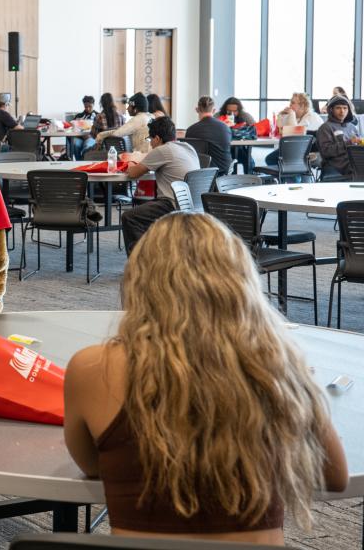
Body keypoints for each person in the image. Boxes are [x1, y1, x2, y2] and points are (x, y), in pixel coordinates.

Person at [64, 212, 348, 544]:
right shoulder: (278, 365)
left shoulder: (91, 368)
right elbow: (334, 477)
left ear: (138, 281)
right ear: (240, 282)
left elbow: (94, 467)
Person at [119, 117, 199, 254]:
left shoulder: (162, 150)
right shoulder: (188, 147)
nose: (151, 144)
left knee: (129, 217)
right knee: (148, 209)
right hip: (195, 205)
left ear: (157, 138)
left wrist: (131, 164)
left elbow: (133, 174)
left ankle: (140, 263)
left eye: (150, 140)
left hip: (173, 204)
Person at [185, 96, 233, 175]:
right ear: (214, 110)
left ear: (197, 110)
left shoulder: (191, 130)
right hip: (223, 172)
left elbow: (191, 155)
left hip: (202, 174)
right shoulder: (225, 127)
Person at [316, 95, 360, 179]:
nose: (342, 111)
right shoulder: (325, 128)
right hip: (337, 165)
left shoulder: (352, 127)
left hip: (353, 162)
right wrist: (348, 143)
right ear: (331, 110)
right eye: (338, 108)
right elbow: (326, 151)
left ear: (349, 110)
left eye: (345, 108)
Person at [219, 97, 257, 173]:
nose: (232, 113)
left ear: (239, 110)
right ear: (225, 109)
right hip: (224, 149)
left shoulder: (245, 116)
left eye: (235, 111)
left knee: (248, 160)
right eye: (229, 111)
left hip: (241, 148)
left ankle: (251, 180)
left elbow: (254, 129)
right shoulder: (219, 116)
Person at [68, 95, 98, 160]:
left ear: (93, 105)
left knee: (88, 145)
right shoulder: (79, 116)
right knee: (75, 144)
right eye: (86, 107)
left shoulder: (98, 115)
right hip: (79, 137)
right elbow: (72, 127)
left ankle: (84, 160)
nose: (88, 109)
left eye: (90, 106)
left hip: (91, 137)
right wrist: (74, 124)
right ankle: (78, 161)